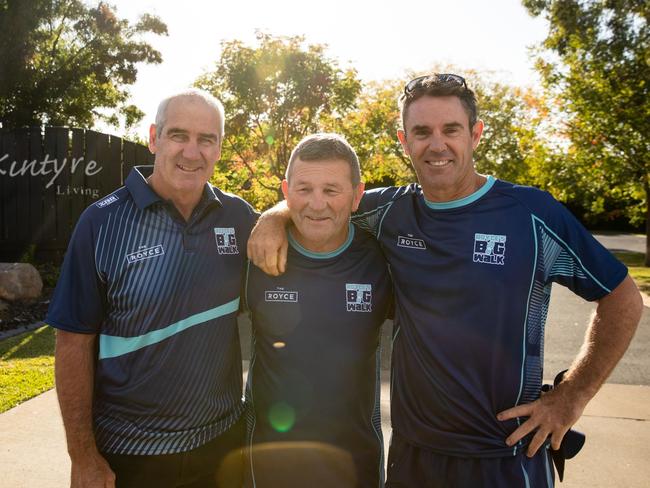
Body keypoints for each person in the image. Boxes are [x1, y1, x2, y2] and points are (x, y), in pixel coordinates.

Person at [246, 74, 644, 487]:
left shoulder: (531, 214)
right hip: (414, 458)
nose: (436, 145)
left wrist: (571, 397)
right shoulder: (390, 212)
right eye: (421, 132)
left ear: (475, 134)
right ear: (405, 141)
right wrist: (273, 217)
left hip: (505, 457)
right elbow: (321, 199)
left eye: (450, 130)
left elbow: (622, 297)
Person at [47, 89, 257, 488]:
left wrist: (279, 218)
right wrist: (82, 455)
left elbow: (299, 216)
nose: (191, 152)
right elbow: (72, 343)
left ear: (219, 148)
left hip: (222, 446)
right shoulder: (101, 223)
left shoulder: (239, 217)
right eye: (179, 135)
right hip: (130, 454)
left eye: (206, 139)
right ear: (154, 137)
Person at [243, 133, 392, 487]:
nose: (316, 204)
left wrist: (554, 395)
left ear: (357, 196)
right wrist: (274, 218)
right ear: (286, 190)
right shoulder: (256, 254)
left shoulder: (382, 258)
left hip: (355, 467)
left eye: (331, 190)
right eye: (304, 189)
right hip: (266, 467)